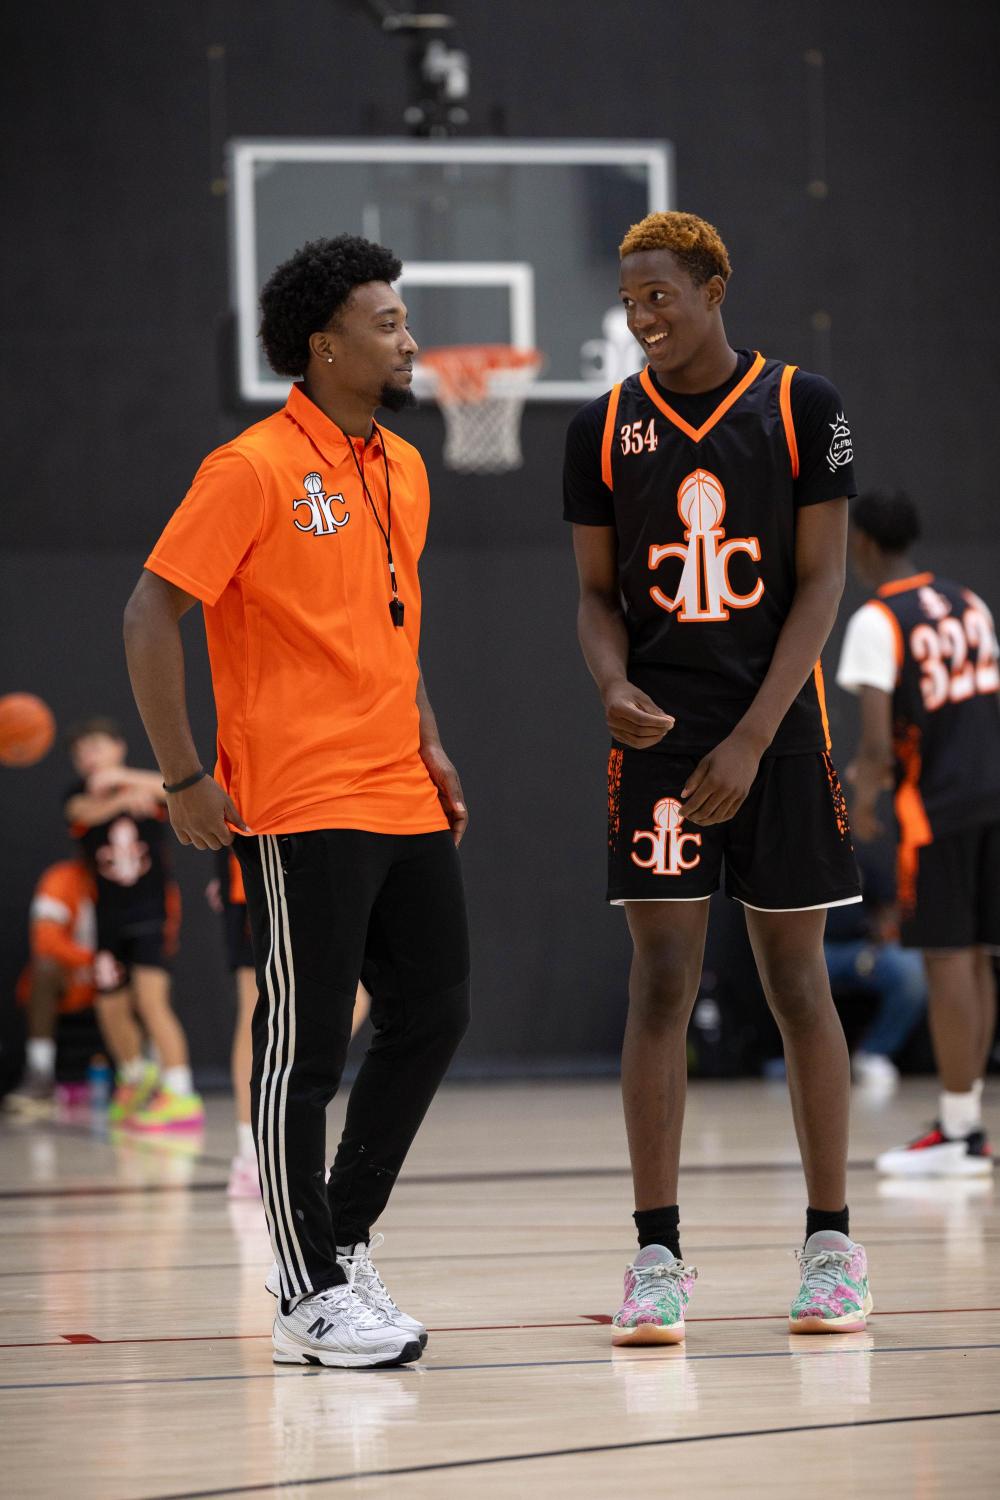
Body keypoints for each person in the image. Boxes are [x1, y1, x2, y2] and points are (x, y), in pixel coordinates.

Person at [123, 234, 471, 1370]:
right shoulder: (251, 467)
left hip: (399, 788)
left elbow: (393, 620)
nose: (409, 340)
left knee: (433, 1013)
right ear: (324, 346)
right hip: (299, 798)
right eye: (387, 322)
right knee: (302, 1047)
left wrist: (429, 739)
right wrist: (184, 774)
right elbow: (149, 614)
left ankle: (343, 1242)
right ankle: (305, 1293)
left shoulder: (402, 464)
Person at [564, 210, 870, 1342]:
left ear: (712, 287)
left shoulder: (802, 406)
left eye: (660, 295)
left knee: (797, 985)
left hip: (776, 732)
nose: (642, 316)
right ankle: (656, 1257)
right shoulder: (601, 429)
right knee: (659, 985)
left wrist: (750, 736)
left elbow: (822, 583)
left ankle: (832, 1247)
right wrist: (609, 682)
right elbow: (597, 596)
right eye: (628, 300)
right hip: (656, 740)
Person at [836, 489, 999, 1176]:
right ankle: (965, 1125)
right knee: (977, 956)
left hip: (935, 810)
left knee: (947, 958)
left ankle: (959, 1134)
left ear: (863, 543)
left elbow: (878, 742)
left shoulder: (878, 619)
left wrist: (863, 794)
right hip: (992, 795)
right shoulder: (968, 602)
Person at [205, 849, 373, 1197]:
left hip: (300, 870)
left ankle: (277, 1136)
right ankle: (252, 1155)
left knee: (343, 998)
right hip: (262, 873)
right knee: (256, 1008)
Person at [65, 719, 202, 1128]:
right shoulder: (78, 796)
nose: (89, 757)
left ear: (118, 748)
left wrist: (125, 781)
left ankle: (181, 1093)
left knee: (151, 1000)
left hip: (150, 912)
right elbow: (82, 811)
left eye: (96, 747)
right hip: (107, 918)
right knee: (109, 1004)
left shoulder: (142, 784)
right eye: (81, 752)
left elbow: (173, 788)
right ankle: (135, 1080)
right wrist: (124, 799)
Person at [824, 843, 927, 1091]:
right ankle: (796, 1057)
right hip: (810, 949)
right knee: (787, 973)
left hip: (862, 947)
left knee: (910, 969)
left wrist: (880, 939)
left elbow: (887, 906)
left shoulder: (860, 850)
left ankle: (874, 1052)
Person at [5, 858, 97, 1115]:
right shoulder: (62, 879)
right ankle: (40, 1075)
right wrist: (92, 962)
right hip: (76, 978)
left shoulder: (138, 880)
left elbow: (160, 941)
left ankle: (147, 1080)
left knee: (148, 976)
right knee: (44, 969)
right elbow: (46, 940)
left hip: (116, 980)